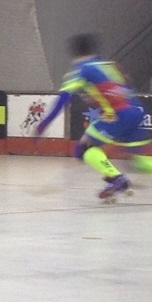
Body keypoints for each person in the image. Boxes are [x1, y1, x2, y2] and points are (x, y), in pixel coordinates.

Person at [35, 33, 152, 199]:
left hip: (117, 114)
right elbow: (125, 86)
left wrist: (44, 124)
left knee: (83, 149)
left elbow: (63, 99)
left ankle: (117, 178)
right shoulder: (110, 65)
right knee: (138, 161)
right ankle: (115, 179)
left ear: (74, 53)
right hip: (137, 110)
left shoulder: (82, 69)